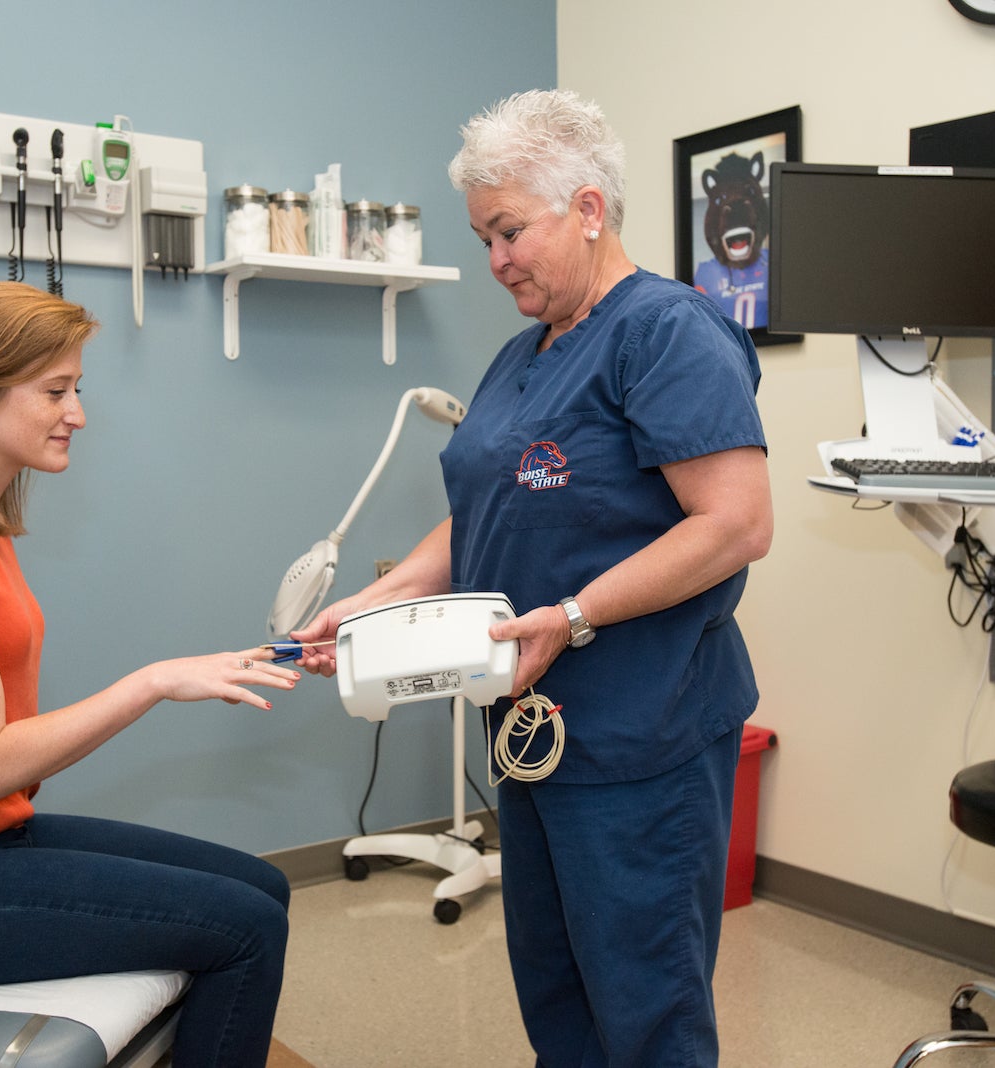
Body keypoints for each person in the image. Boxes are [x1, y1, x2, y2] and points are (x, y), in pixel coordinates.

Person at [293, 90, 772, 1066]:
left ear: (588, 208)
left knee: (644, 1004)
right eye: (484, 238)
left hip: (641, 727)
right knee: (554, 989)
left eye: (510, 231)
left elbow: (735, 525)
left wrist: (574, 614)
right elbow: (485, 509)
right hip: (530, 726)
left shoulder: (665, 331)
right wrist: (377, 601)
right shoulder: (523, 355)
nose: (496, 260)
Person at [0, 282, 296, 1068]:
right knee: (246, 928)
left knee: (261, 890)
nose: (77, 412)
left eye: (77, 388)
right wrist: (150, 683)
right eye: (55, 391)